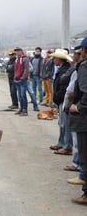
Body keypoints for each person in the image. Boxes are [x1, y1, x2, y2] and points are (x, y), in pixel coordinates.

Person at [69, 37, 87, 205]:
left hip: (84, 117)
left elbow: (85, 92)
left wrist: (79, 107)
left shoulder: (84, 66)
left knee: (85, 154)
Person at [49, 49, 73, 155]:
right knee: (62, 123)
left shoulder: (65, 70)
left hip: (63, 100)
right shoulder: (62, 69)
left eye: (55, 58)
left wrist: (57, 98)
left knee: (65, 124)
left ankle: (67, 146)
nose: (54, 60)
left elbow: (63, 88)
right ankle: (61, 142)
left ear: (59, 59)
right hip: (60, 99)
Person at [13, 47, 32, 116]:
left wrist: (23, 77)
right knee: (19, 96)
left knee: (23, 95)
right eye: (16, 51)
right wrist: (15, 77)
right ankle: (21, 109)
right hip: (17, 79)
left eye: (18, 51)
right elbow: (16, 69)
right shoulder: (16, 59)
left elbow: (26, 69)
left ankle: (25, 110)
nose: (17, 52)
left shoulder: (25, 58)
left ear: (21, 51)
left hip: (23, 80)